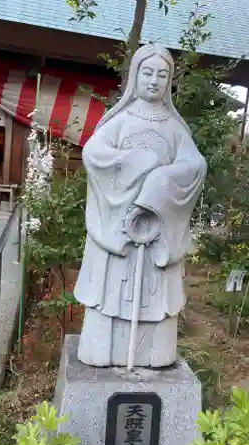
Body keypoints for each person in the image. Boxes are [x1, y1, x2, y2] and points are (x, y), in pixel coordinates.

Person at [74, 44, 207, 368]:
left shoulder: (175, 129)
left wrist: (159, 185)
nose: (154, 81)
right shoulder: (120, 121)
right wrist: (135, 163)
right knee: (109, 294)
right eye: (147, 73)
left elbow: (195, 164)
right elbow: (94, 155)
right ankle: (102, 351)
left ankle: (154, 354)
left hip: (156, 229)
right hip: (120, 231)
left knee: (155, 297)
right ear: (135, 75)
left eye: (162, 75)